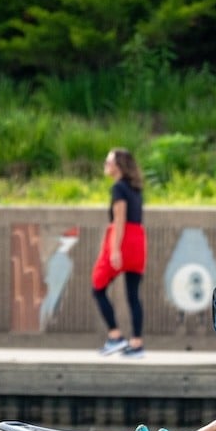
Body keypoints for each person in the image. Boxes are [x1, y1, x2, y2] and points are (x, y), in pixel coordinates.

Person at [92, 148, 147, 358]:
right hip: (138, 240)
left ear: (118, 166)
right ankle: (136, 344)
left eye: (108, 162)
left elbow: (119, 218)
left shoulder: (118, 188)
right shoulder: (136, 188)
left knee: (97, 286)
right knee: (133, 295)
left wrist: (115, 249)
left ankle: (115, 336)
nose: (106, 165)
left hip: (121, 238)